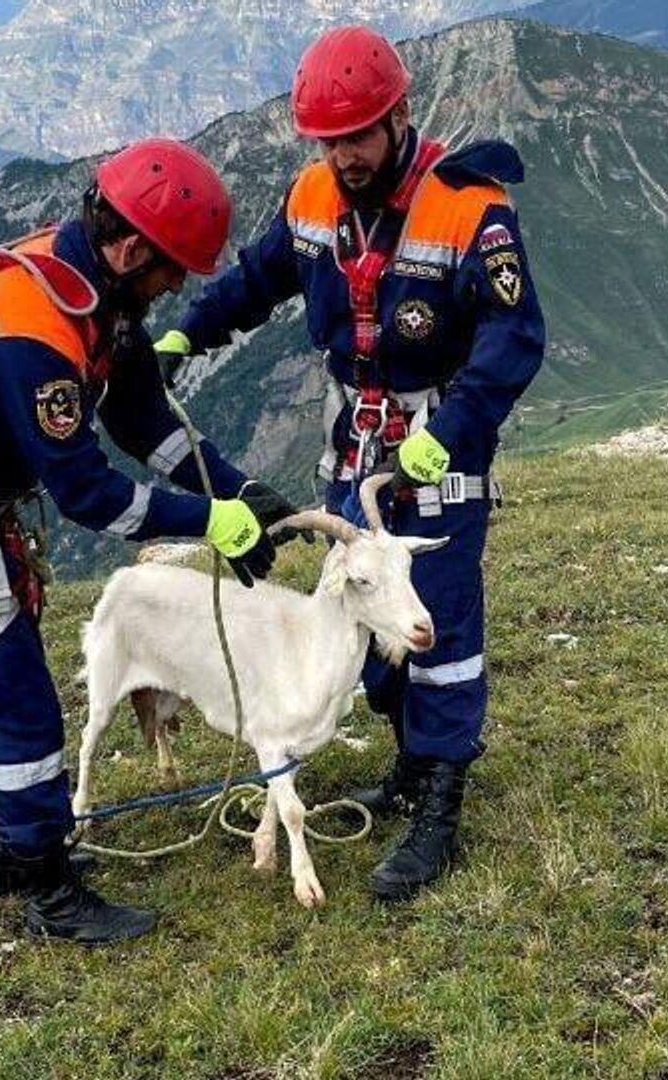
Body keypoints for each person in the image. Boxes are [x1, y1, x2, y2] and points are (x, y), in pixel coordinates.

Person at [0, 137, 299, 943]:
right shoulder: (34, 328)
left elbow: (142, 419)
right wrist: (207, 523)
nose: (175, 288)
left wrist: (234, 491)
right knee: (14, 697)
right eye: (171, 270)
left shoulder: (99, 295)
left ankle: (1, 852)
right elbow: (88, 491)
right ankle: (50, 888)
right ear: (131, 247)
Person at [158, 26, 546, 901]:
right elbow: (259, 279)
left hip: (440, 441)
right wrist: (190, 332)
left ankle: (439, 806)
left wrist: (448, 432)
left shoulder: (469, 207)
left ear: (399, 116)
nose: (344, 155)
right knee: (359, 614)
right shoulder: (312, 198)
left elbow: (516, 336)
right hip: (356, 447)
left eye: (359, 137)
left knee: (433, 625)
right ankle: (409, 765)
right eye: (329, 140)